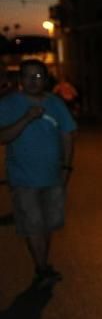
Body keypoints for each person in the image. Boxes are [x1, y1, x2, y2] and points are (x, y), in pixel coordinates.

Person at [0, 59, 77, 287]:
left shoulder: (56, 103)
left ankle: (42, 264)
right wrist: (26, 118)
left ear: (46, 79)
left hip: (52, 176)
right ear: (20, 80)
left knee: (48, 224)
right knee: (33, 224)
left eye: (38, 76)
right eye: (28, 76)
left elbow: (67, 135)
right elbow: (3, 137)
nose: (33, 81)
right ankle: (42, 268)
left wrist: (66, 167)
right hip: (23, 178)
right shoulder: (9, 104)